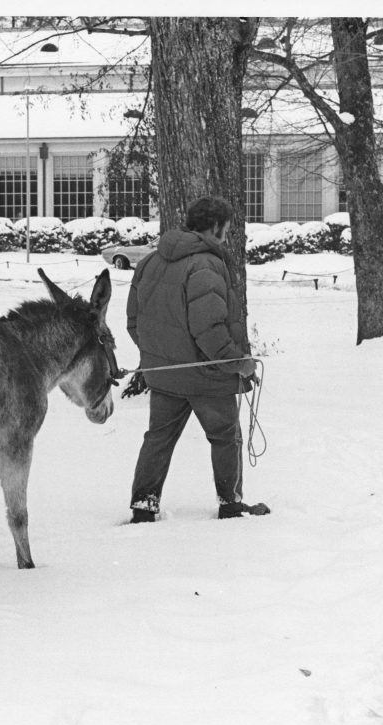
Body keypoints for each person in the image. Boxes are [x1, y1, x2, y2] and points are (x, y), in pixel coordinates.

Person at [126, 196, 270, 522]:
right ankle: (231, 504)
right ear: (217, 226)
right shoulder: (205, 265)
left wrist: (161, 357)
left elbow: (135, 323)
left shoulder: (150, 261)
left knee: (158, 439)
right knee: (226, 438)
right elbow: (211, 332)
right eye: (227, 227)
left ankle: (143, 506)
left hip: (164, 374)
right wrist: (239, 363)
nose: (228, 233)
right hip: (207, 377)